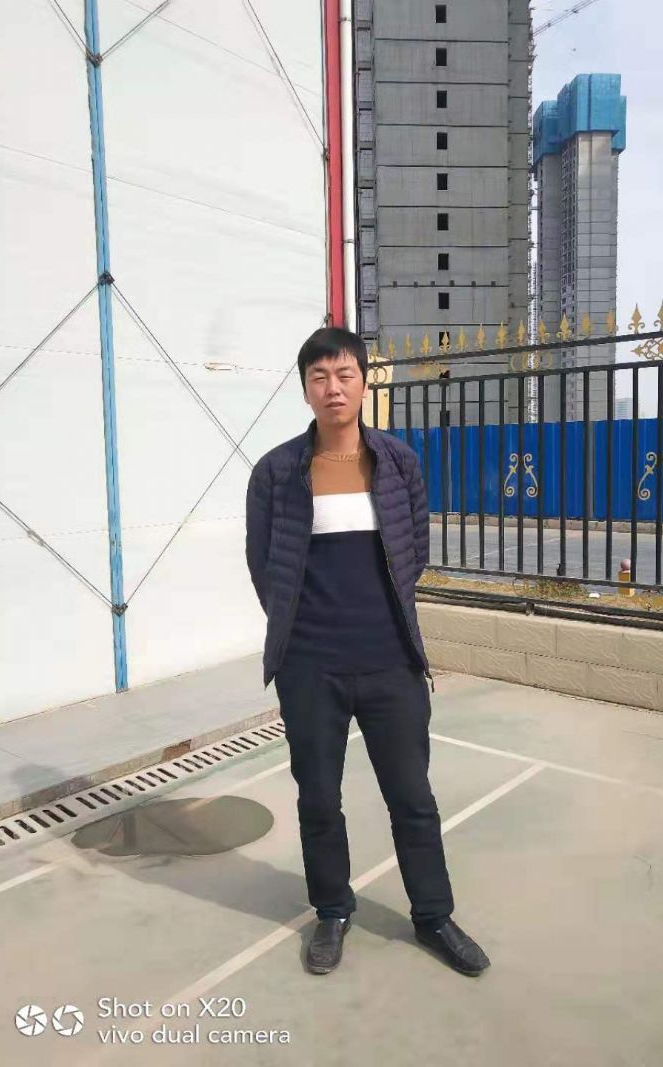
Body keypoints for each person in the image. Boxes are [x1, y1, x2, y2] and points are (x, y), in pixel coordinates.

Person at [245, 326, 490, 978]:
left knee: (412, 797)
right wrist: (301, 633)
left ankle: (433, 915)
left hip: (391, 662)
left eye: (344, 374)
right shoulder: (276, 473)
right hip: (309, 668)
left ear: (363, 381)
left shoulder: (398, 463)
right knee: (318, 799)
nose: (333, 387)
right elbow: (264, 564)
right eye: (319, 376)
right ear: (305, 388)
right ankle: (332, 909)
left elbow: (413, 552)